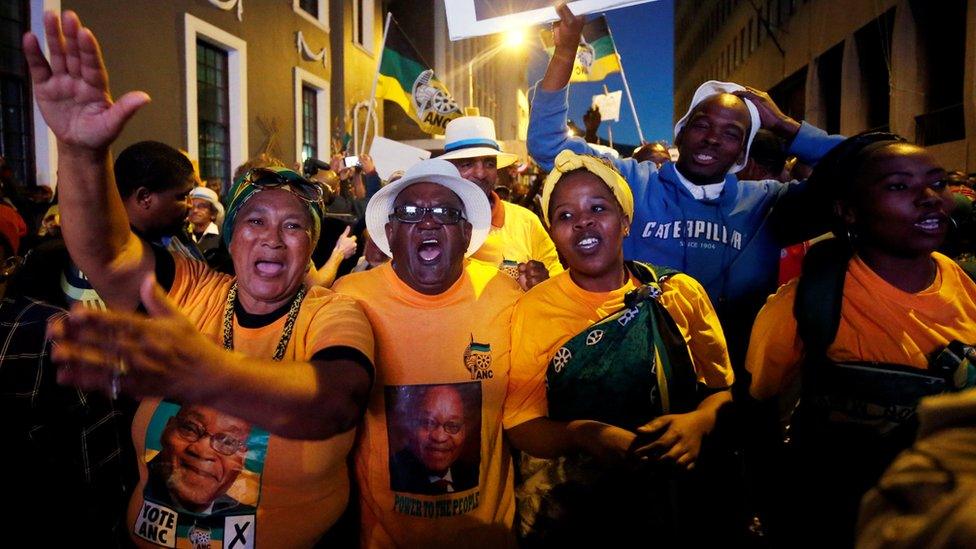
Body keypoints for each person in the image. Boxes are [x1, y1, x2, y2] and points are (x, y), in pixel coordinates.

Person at [27, 11, 375, 547]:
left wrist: (205, 375)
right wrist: (80, 152)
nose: (273, 239)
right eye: (255, 222)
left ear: (311, 246)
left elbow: (333, 402)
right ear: (230, 237)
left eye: (293, 227)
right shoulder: (192, 290)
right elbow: (106, 250)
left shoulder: (332, 314)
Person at [334, 159, 639, 547]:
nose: (427, 222)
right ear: (390, 232)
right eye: (410, 213)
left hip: (490, 536)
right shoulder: (349, 301)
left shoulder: (507, 297)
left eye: (445, 212)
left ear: (466, 233)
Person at [528, 4, 844, 370]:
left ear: (742, 152)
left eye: (731, 134)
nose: (712, 139)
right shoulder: (631, 182)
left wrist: (789, 128)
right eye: (702, 125)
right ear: (682, 130)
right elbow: (546, 144)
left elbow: (868, 169)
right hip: (635, 378)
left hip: (735, 390)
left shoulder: (768, 203)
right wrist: (566, 52)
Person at [746, 132, 976, 546]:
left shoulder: (967, 282)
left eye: (937, 182)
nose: (929, 197)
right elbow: (755, 409)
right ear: (847, 211)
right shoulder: (806, 305)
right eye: (898, 186)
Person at [512, 150, 734, 544]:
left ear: (626, 222)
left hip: (676, 502)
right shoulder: (533, 310)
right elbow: (521, 425)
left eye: (598, 208)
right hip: (576, 515)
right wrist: (584, 435)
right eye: (565, 215)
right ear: (553, 233)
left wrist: (697, 423)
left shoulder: (677, 293)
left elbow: (722, 392)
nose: (582, 221)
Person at [437, 116, 562, 290]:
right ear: (448, 169)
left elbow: (559, 286)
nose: (480, 173)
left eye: (489, 163)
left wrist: (544, 284)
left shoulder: (526, 222)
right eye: (467, 164)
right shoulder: (430, 224)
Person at [144, 404, 253, 515]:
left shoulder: (249, 519)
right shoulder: (131, 485)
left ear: (242, 460)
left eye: (228, 442)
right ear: (167, 430)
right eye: (190, 428)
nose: (203, 452)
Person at [389, 384, 479, 495]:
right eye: (428, 422)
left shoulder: (472, 474)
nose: (440, 437)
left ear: (464, 431)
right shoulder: (393, 472)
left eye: (453, 425)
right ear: (411, 425)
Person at [186, 186, 223, 255]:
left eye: (201, 206)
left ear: (213, 213)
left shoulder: (222, 236)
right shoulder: (184, 235)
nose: (195, 210)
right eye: (192, 206)